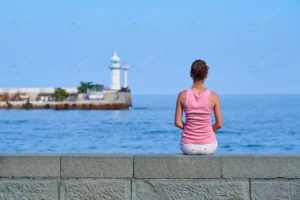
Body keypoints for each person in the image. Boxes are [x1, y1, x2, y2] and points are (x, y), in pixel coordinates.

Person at [174, 59, 222, 155]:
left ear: (191, 74)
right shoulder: (214, 96)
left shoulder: (182, 95)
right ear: (206, 75)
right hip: (208, 146)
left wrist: (189, 128)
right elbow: (219, 124)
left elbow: (177, 123)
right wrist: (205, 131)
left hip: (188, 146)